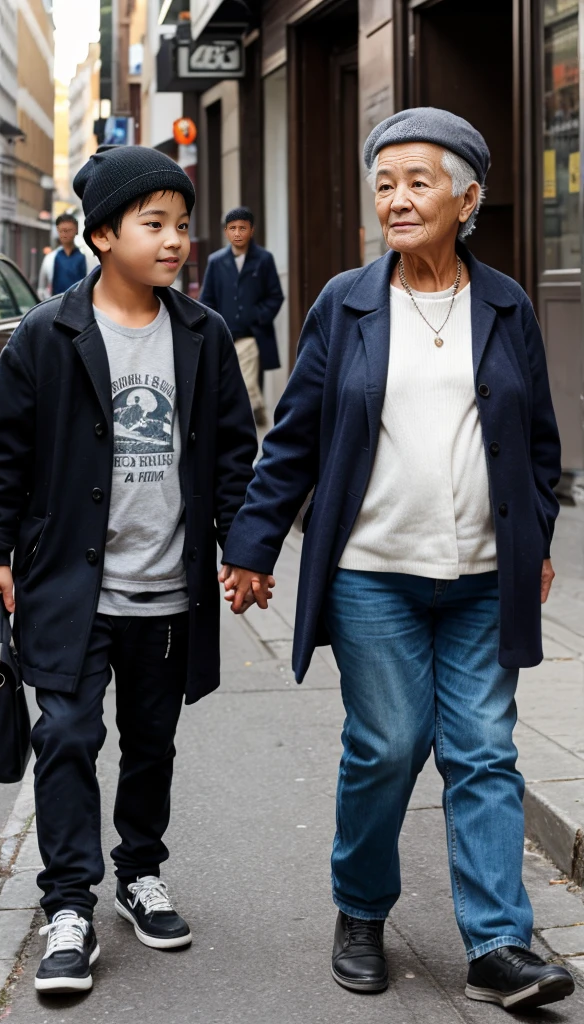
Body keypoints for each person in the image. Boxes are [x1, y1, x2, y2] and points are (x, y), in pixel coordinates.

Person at [219, 108, 574, 1013]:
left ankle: (498, 945)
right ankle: (361, 908)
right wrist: (253, 548)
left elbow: (538, 444)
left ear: (468, 196)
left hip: (484, 579)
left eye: (420, 181)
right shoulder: (347, 301)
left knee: (484, 753)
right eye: (385, 184)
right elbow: (295, 438)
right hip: (372, 572)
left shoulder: (505, 304)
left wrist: (533, 538)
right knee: (386, 745)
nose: (398, 199)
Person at [0, 145, 257, 995]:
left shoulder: (202, 334)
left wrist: (242, 549)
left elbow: (236, 455)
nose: (176, 242)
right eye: (154, 224)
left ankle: (138, 871)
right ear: (102, 235)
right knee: (65, 734)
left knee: (152, 742)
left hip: (169, 587)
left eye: (183, 226)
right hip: (68, 585)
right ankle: (67, 904)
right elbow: (2, 454)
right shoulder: (48, 333)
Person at [200, 206, 284, 425]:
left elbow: (275, 296)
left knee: (246, 383)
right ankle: (255, 412)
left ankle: (250, 418)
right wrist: (216, 325)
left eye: (242, 228)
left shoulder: (264, 259)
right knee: (229, 385)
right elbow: (206, 299)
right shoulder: (216, 262)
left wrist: (257, 316)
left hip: (252, 336)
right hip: (225, 337)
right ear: (226, 232)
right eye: (232, 228)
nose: (237, 233)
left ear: (251, 230)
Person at [37, 212, 88, 299]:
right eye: (63, 230)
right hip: (56, 306)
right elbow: (41, 288)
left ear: (76, 231)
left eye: (69, 230)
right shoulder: (50, 258)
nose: (66, 234)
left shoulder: (85, 257)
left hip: (80, 306)